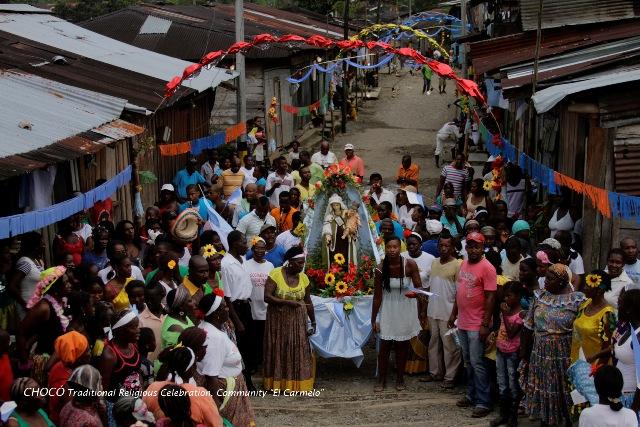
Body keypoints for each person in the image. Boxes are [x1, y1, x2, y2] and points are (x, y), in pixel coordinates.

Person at [520, 264, 586, 426]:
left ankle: (568, 421)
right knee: (543, 388)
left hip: (564, 354)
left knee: (564, 390)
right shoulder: (539, 296)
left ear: (563, 282)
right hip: (540, 352)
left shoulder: (577, 300)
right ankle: (545, 421)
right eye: (546, 278)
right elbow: (528, 326)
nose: (546, 282)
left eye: (550, 279)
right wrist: (524, 354)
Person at [448, 232, 497, 418]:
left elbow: (491, 297)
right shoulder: (464, 264)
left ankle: (484, 402)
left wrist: (485, 323)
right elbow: (459, 291)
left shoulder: (488, 268)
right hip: (463, 321)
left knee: (477, 363)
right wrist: (453, 314)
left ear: (482, 247)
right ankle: (471, 394)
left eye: (477, 246)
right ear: (466, 248)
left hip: (477, 323)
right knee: (468, 361)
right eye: (470, 246)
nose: (473, 249)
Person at [371, 236, 423, 392]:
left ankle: (400, 379)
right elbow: (377, 297)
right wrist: (374, 319)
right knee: (385, 346)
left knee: (402, 346)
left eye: (395, 247)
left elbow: (419, 289)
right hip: (388, 309)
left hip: (405, 308)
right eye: (389, 247)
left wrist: (421, 310)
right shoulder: (380, 268)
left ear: (400, 248)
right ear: (385, 248)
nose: (392, 250)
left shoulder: (410, 265)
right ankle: (381, 380)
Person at [198, 293, 255, 427]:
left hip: (232, 386)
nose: (228, 309)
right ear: (216, 313)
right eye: (224, 307)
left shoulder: (214, 329)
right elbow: (211, 375)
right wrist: (215, 408)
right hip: (226, 390)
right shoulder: (214, 337)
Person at [263, 247, 316, 391]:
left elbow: (308, 301)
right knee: (280, 349)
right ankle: (278, 384)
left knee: (297, 349)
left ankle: (298, 384)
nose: (301, 266)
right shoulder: (276, 273)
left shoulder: (304, 278)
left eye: (303, 263)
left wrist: (313, 321)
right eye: (299, 263)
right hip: (278, 321)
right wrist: (286, 302)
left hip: (298, 321)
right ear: (290, 262)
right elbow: (267, 297)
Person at [17, 266, 71, 385]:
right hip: (46, 361)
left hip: (60, 357)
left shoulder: (61, 301)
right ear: (56, 287)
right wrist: (24, 363)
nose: (69, 284)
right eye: (66, 282)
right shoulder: (43, 307)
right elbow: (20, 331)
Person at [144, 347, 222, 427]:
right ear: (190, 369)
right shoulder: (200, 394)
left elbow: (144, 416)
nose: (195, 367)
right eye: (194, 364)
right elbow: (215, 424)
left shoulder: (153, 387)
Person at [423, 235, 462, 388]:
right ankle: (435, 372)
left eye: (447, 246)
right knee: (433, 343)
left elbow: (459, 292)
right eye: (441, 246)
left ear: (453, 247)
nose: (444, 248)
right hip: (433, 310)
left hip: (448, 311)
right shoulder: (434, 263)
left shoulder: (458, 265)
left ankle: (450, 377)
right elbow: (429, 286)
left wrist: (454, 313)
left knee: (450, 345)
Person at [220, 230, 255, 390]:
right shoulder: (226, 264)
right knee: (239, 346)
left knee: (248, 345)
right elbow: (227, 296)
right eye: (243, 242)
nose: (246, 246)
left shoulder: (242, 260)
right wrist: (236, 320)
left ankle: (248, 379)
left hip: (246, 306)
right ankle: (243, 382)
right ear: (234, 244)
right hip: (237, 309)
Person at [98, 309, 143, 424]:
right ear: (121, 330)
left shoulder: (133, 344)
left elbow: (137, 373)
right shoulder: (110, 355)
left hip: (134, 403)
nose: (138, 330)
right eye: (134, 327)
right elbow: (103, 389)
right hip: (117, 408)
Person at [491, 281, 524, 427]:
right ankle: (503, 414)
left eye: (509, 296)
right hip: (500, 350)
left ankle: (513, 416)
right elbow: (503, 328)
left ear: (517, 296)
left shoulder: (521, 314)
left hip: (512, 353)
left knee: (513, 385)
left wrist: (504, 314)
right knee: (502, 384)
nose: (505, 299)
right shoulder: (505, 310)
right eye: (504, 296)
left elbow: (511, 333)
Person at [570, 270, 616, 369]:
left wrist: (596, 370)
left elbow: (607, 348)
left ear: (599, 290)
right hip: (577, 361)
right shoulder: (585, 304)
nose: (584, 288)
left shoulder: (607, 314)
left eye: (588, 286)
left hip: (594, 367)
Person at [47, 331, 90, 425]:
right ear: (79, 358)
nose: (90, 353)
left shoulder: (61, 365)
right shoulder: (65, 385)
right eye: (87, 351)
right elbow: (73, 415)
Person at [244, 237, 274, 374]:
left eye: (263, 248)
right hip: (251, 307)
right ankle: (253, 364)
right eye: (258, 248)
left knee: (264, 337)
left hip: (266, 307)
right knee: (252, 337)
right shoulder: (246, 264)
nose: (260, 250)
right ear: (252, 249)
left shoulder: (270, 266)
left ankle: (264, 363)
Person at [612, 289, 640, 416]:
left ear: (628, 310)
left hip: (633, 400)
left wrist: (633, 411)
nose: (618, 308)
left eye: (620, 304)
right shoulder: (628, 329)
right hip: (622, 395)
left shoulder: (639, 336)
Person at [8, 231, 45, 320]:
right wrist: (26, 305)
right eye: (42, 244)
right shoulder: (25, 262)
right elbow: (11, 286)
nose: (44, 246)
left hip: (38, 308)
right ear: (35, 246)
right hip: (27, 310)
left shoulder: (38, 261)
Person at [139, 283, 166, 363]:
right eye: (146, 299)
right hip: (151, 364)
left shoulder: (170, 313)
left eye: (152, 299)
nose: (149, 302)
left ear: (161, 296)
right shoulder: (140, 320)